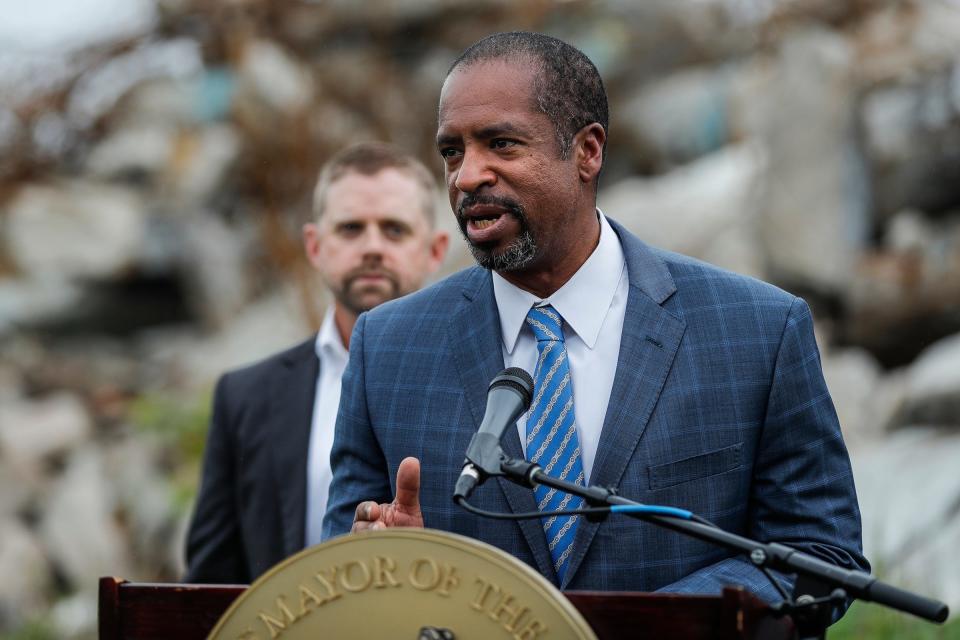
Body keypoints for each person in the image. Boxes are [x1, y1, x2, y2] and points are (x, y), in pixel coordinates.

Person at [322, 32, 868, 603]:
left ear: (588, 151)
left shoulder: (756, 331)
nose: (466, 176)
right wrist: (383, 568)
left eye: (501, 145)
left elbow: (821, 554)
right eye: (452, 152)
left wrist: (649, 625)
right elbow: (337, 580)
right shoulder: (387, 346)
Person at [184, 142, 449, 583]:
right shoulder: (245, 397)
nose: (372, 247)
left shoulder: (487, 383)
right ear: (314, 245)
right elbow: (211, 580)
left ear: (436, 249)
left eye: (395, 229)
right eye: (350, 228)